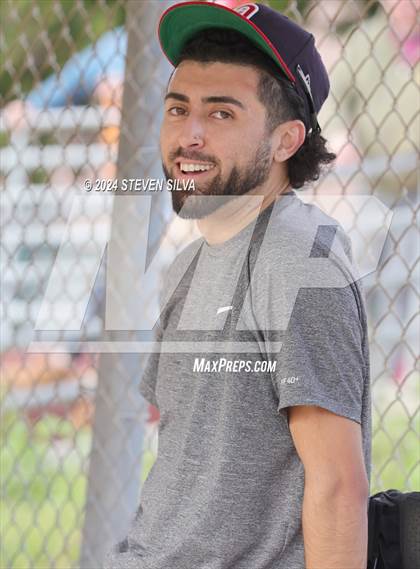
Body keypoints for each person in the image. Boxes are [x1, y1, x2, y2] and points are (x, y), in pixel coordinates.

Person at [104, 3, 371, 568]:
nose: (189, 135)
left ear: (285, 141)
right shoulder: (192, 263)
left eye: (222, 115)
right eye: (179, 109)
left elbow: (336, 487)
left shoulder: (299, 256)